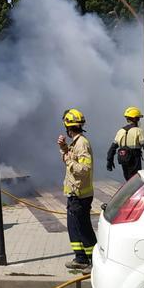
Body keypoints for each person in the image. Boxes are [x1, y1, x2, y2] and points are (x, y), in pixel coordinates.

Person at [58, 108, 96, 271]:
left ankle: (93, 260)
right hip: (75, 194)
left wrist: (68, 161)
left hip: (80, 195)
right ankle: (80, 258)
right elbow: (71, 159)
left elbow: (84, 169)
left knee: (83, 228)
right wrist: (64, 148)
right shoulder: (76, 143)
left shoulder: (82, 143)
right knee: (74, 227)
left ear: (68, 127)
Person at [106, 106, 144, 181]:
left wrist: (109, 161)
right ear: (135, 119)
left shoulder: (120, 131)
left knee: (128, 179)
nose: (139, 120)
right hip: (134, 160)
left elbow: (112, 148)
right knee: (135, 180)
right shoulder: (138, 131)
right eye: (138, 118)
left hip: (123, 159)